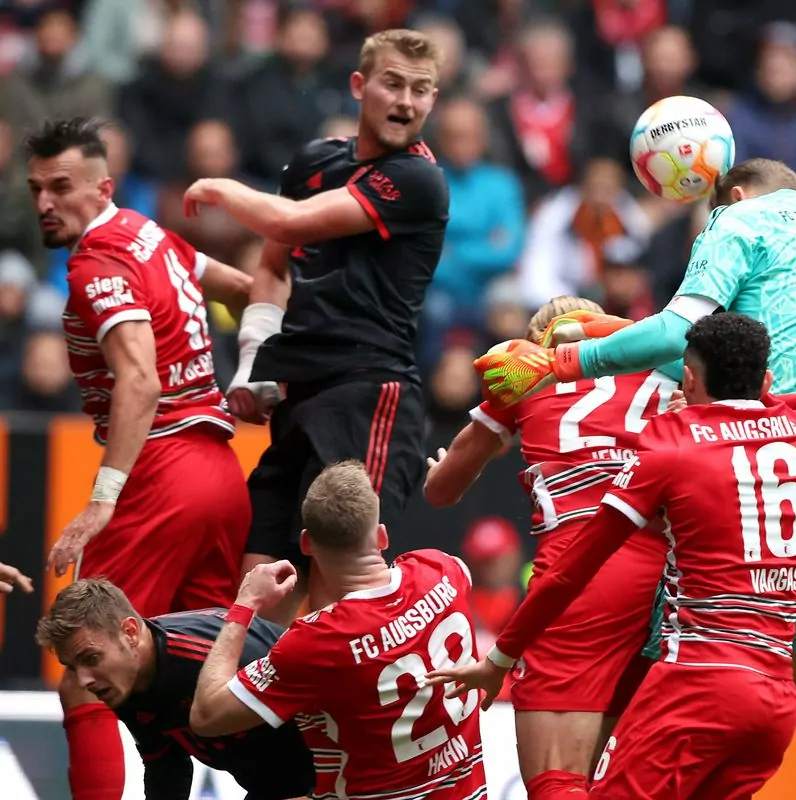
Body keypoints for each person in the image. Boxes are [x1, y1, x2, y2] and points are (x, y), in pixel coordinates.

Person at [473, 157, 796, 797]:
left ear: (735, 195)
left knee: (655, 677)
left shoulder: (739, 222)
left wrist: (564, 355)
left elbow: (679, 335)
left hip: (720, 492)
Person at [431, 313, 796, 799]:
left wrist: (501, 656)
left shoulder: (673, 443)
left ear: (690, 379)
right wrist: (762, 404)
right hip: (775, 695)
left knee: (558, 781)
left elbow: (577, 565)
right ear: (765, 381)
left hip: (694, 679)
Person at [181, 28, 450, 622]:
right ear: (360, 85)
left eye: (422, 90)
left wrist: (226, 188)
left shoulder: (418, 180)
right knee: (258, 593)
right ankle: (262, 716)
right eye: (393, 84)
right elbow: (274, 263)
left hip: (369, 392)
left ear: (434, 100)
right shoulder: (313, 162)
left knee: (338, 603)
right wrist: (254, 363)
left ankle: (341, 717)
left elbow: (293, 224)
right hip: (301, 394)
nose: (406, 102)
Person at [25, 116, 253, 800]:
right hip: (220, 470)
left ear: (102, 185)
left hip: (162, 475)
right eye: (35, 188)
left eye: (60, 186)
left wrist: (102, 500)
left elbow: (141, 380)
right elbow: (248, 289)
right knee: (190, 686)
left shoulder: (97, 262)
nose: (44, 203)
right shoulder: (160, 239)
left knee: (86, 675)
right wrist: (258, 368)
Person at [425, 295, 673, 795]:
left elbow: (440, 491)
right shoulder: (664, 369)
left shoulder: (527, 376)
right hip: (670, 581)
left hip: (579, 582)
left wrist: (443, 467)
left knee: (556, 778)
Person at [188, 460, 485, 800]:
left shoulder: (315, 643)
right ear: (381, 536)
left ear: (305, 544)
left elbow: (206, 715)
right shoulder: (442, 568)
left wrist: (244, 605)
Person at [35, 579, 316, 800]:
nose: (83, 680)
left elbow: (327, 708)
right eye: (72, 666)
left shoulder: (213, 656)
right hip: (275, 784)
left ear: (130, 632)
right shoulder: (124, 679)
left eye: (90, 659)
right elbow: (166, 769)